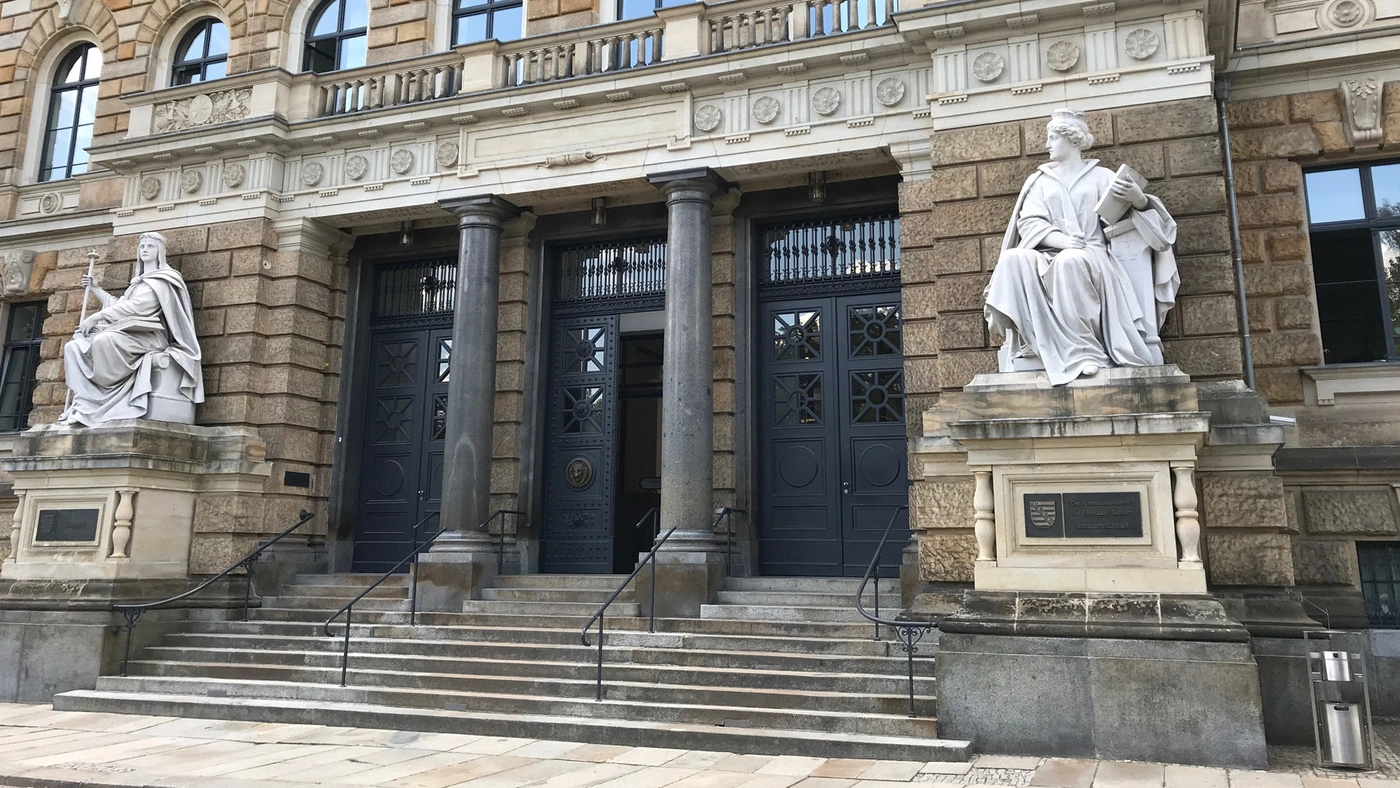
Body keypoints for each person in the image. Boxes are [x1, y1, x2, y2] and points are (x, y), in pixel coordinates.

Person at [984, 108, 1180, 385]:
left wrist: (1138, 200)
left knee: (1070, 261)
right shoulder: (1039, 181)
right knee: (1013, 259)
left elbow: (1150, 226)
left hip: (1093, 254)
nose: (1047, 144)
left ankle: (1084, 352)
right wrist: (1062, 241)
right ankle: (1035, 340)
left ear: (1073, 140)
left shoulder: (1102, 177)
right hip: (1049, 251)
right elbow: (1028, 223)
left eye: (1053, 138)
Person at [58, 231, 204, 426]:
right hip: (128, 334)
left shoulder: (163, 280)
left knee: (104, 340)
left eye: (150, 246)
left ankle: (102, 398)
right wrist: (95, 289)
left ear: (160, 251)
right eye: (142, 246)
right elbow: (119, 305)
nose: (145, 250)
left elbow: (136, 307)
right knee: (74, 346)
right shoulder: (139, 282)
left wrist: (97, 316)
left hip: (150, 337)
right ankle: (88, 401)